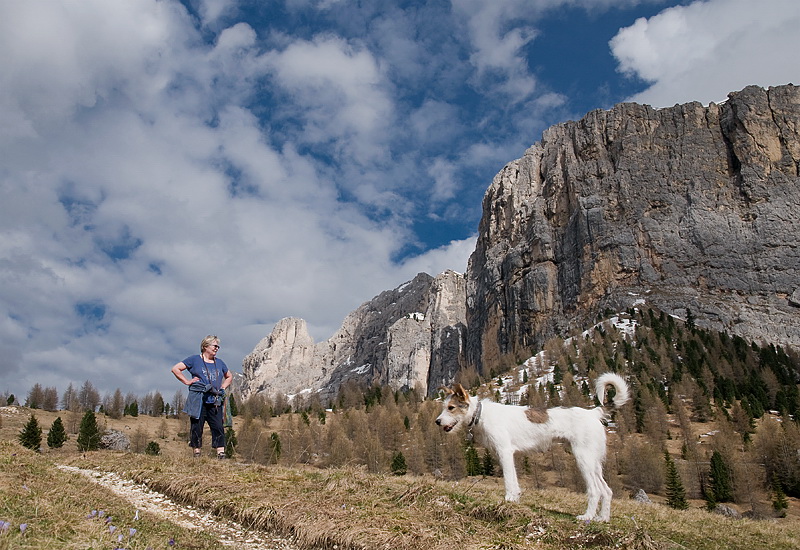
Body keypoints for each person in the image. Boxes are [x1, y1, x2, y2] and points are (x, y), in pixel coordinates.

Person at [171, 335, 233, 459]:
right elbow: (176, 369)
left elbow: (229, 376)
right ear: (205, 346)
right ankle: (197, 452)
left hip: (215, 400)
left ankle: (220, 453)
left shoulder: (219, 362)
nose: (217, 348)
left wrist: (222, 388)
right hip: (198, 399)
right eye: (215, 346)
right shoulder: (194, 360)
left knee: (218, 426)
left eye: (218, 346)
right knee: (196, 425)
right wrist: (187, 381)